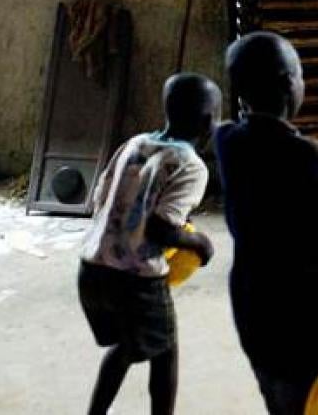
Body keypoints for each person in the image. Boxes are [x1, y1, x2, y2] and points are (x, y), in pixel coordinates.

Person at [215, 32, 318, 414]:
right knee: (301, 397)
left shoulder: (226, 140)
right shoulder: (309, 157)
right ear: (288, 83)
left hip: (248, 299)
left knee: (272, 389)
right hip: (296, 311)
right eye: (300, 74)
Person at [78, 73, 220, 415]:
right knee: (165, 351)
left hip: (92, 269)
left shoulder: (134, 143)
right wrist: (198, 242)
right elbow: (161, 229)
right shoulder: (191, 166)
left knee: (128, 346)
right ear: (208, 122)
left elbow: (100, 199)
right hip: (136, 281)